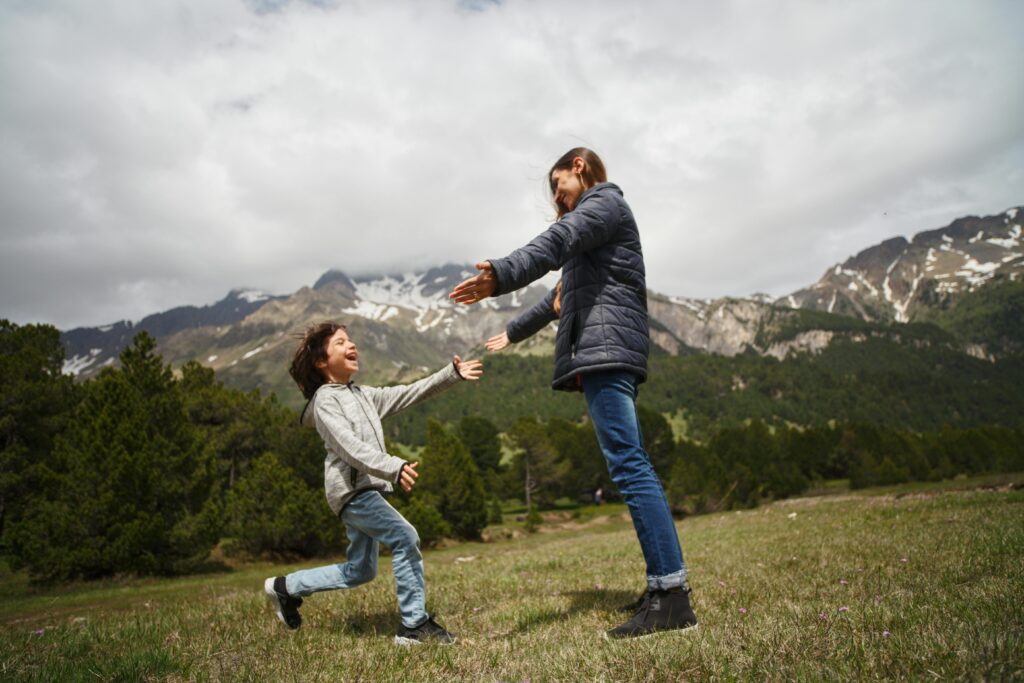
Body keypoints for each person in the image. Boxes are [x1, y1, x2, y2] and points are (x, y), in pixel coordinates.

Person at [450, 147, 697, 639]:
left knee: (630, 465)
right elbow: (558, 298)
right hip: (605, 350)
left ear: (578, 166)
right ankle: (662, 587)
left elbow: (555, 241)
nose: (557, 198)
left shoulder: (603, 205)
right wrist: (514, 332)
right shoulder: (594, 227)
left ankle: (671, 595)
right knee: (629, 464)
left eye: (557, 184)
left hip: (607, 351)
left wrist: (501, 273)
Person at [263, 322, 483, 645]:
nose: (351, 345)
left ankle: (285, 588)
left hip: (365, 490)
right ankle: (413, 626)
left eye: (350, 340)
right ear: (321, 361)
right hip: (353, 493)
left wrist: (450, 374)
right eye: (340, 342)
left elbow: (409, 393)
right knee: (405, 536)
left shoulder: (364, 395)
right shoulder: (326, 402)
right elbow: (350, 447)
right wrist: (394, 467)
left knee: (361, 571)